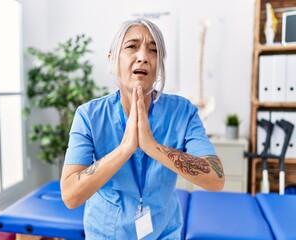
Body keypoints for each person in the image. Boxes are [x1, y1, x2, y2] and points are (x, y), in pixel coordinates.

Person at [60, 18, 225, 240]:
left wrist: (152, 146)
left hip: (164, 232)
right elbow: (70, 196)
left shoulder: (182, 112)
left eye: (153, 50)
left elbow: (216, 178)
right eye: (131, 47)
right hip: (107, 234)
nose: (143, 57)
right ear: (113, 60)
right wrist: (125, 148)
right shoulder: (89, 116)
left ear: (159, 66)